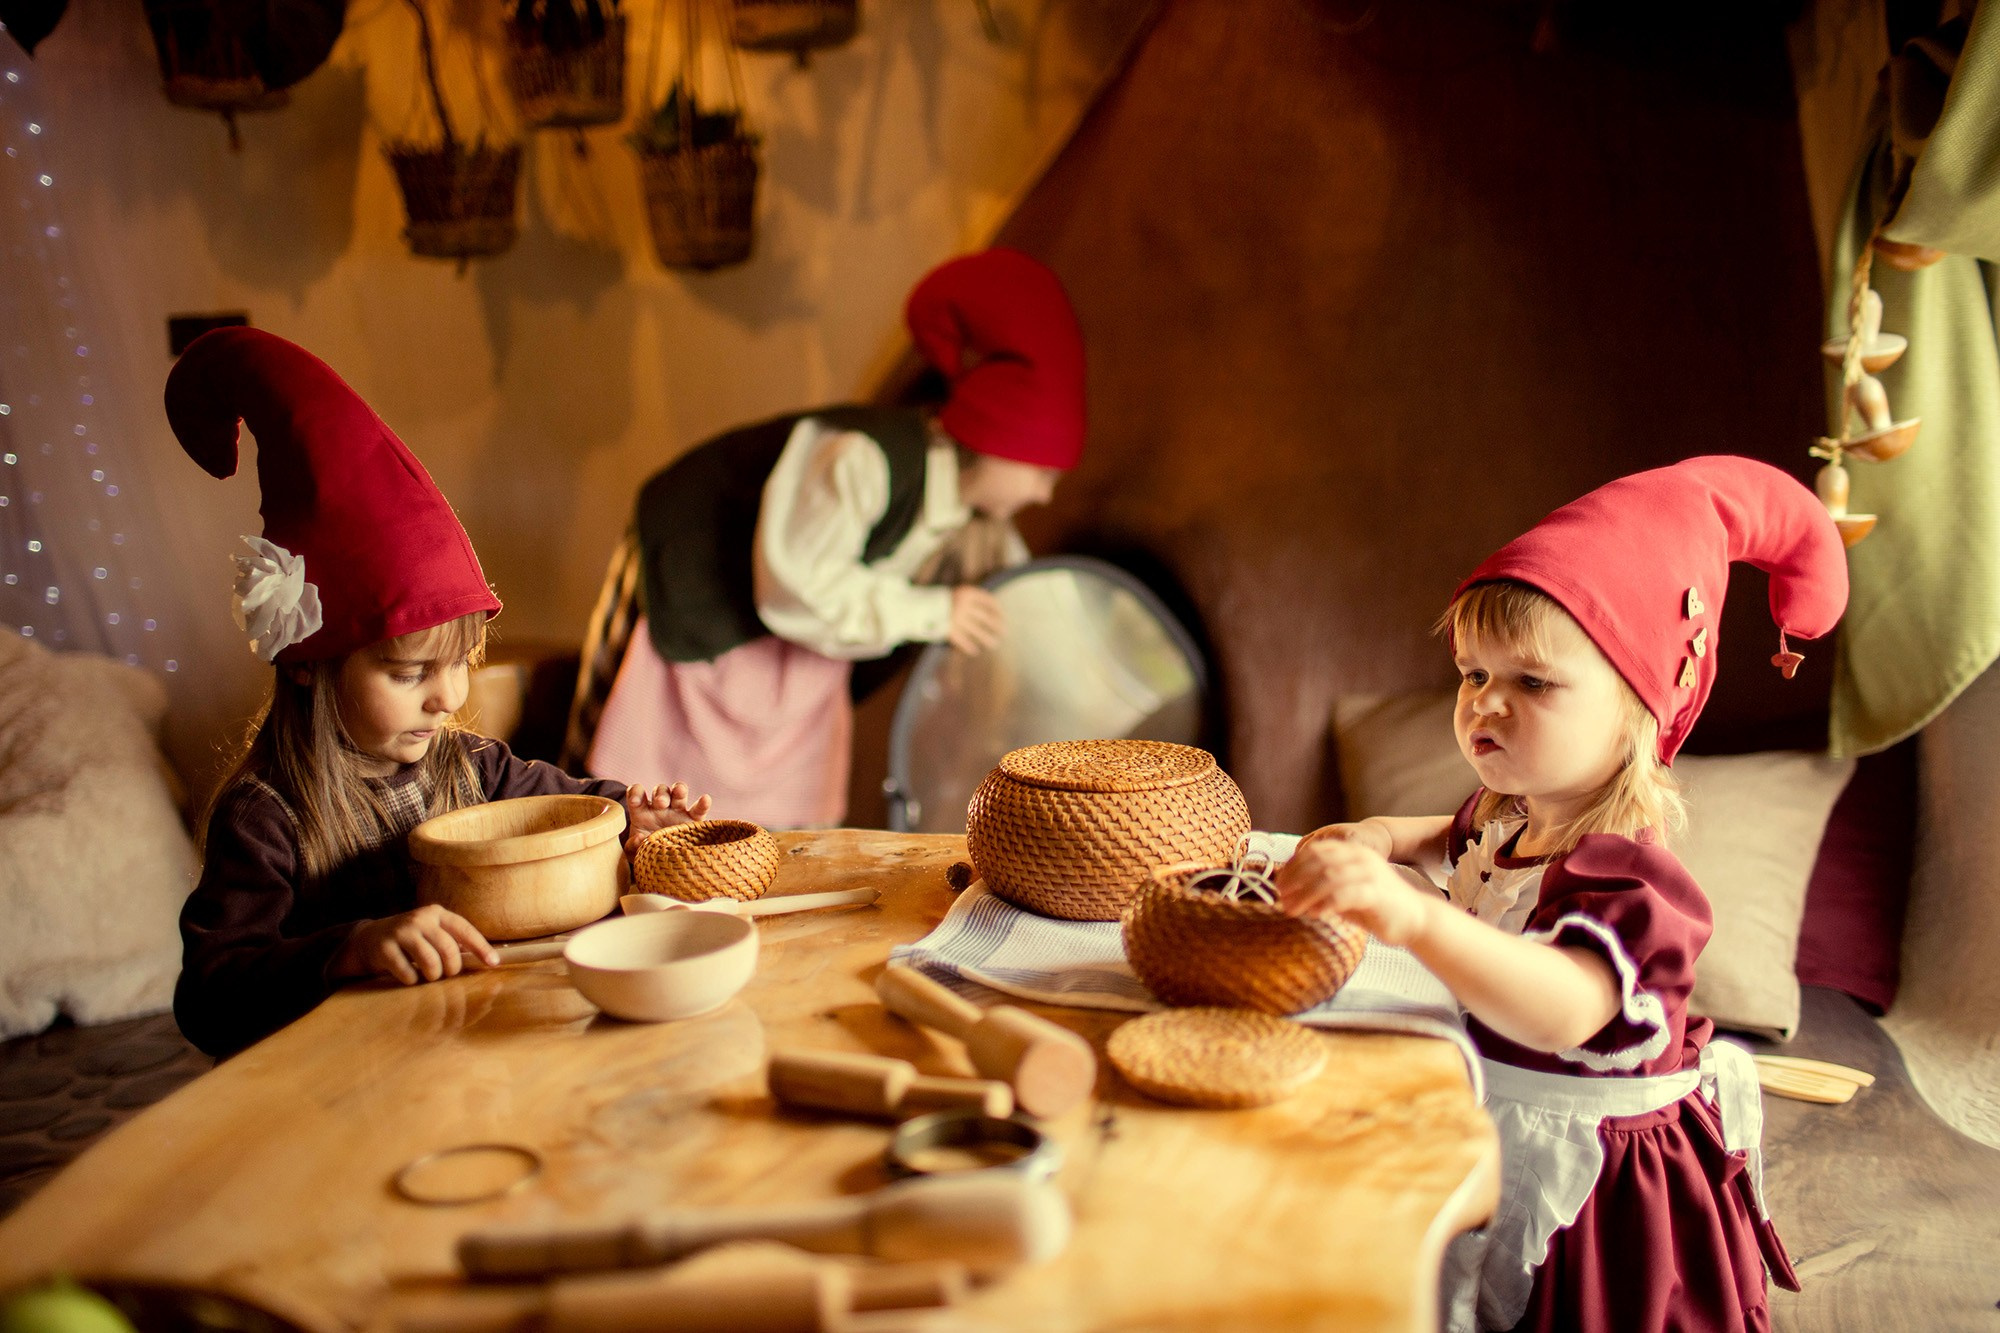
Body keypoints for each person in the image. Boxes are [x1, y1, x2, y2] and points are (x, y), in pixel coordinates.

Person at [1276, 456, 1843, 1332]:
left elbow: (1564, 1009)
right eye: (1472, 674)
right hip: (1492, 1108)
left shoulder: (1633, 877)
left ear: (1635, 711)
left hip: (1585, 1185)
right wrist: (1384, 835)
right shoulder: (1510, 814)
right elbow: (1451, 837)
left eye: (1531, 682)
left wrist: (1416, 915)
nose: (1484, 706)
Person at [165, 329, 711, 1059]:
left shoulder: (473, 769)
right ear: (306, 663)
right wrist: (351, 947)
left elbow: (566, 805)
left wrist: (630, 811)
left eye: (459, 664)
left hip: (467, 1056)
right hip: (340, 1090)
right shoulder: (267, 817)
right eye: (409, 672)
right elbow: (211, 994)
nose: (447, 697)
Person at [581, 247, 1087, 828]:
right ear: (1003, 441)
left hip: (794, 659)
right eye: (1044, 474)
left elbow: (1029, 608)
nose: (1043, 495)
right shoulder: (861, 459)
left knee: (776, 826)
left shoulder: (973, 519)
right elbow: (795, 585)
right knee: (648, 805)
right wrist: (933, 612)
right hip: (700, 596)